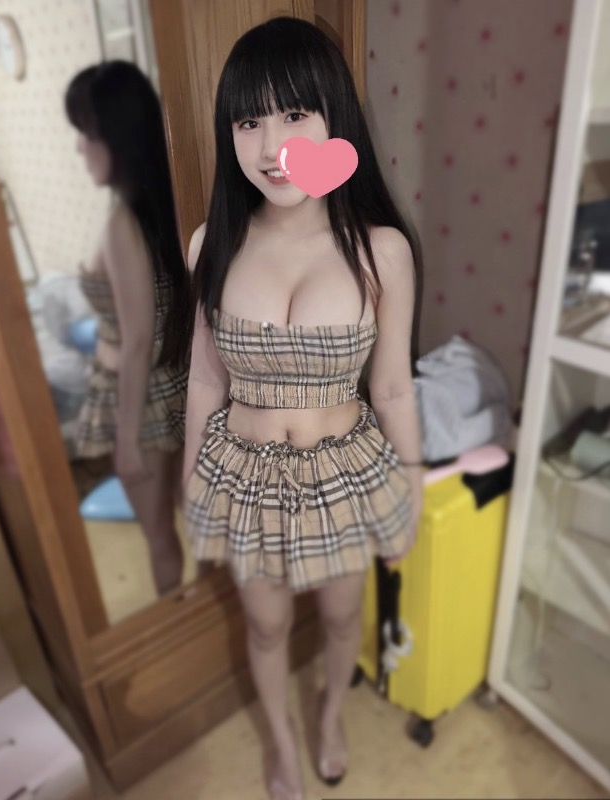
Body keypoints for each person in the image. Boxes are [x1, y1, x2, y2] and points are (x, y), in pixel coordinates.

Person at [182, 18, 424, 800]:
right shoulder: (209, 244)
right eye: (249, 120)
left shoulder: (381, 250)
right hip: (244, 477)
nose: (270, 145)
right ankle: (283, 746)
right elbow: (205, 382)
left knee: (343, 619)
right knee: (265, 626)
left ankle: (329, 718)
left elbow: (391, 387)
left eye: (294, 114)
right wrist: (190, 483)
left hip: (345, 477)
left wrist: (411, 489)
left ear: (334, 119)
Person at [66, 61, 190, 596]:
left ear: (115, 137)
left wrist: (126, 439)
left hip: (141, 398)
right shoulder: (169, 201)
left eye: (86, 134)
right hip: (179, 382)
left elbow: (137, 340)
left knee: (158, 533)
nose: (80, 148)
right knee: (194, 517)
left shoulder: (124, 222)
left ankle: (177, 621)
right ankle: (203, 613)